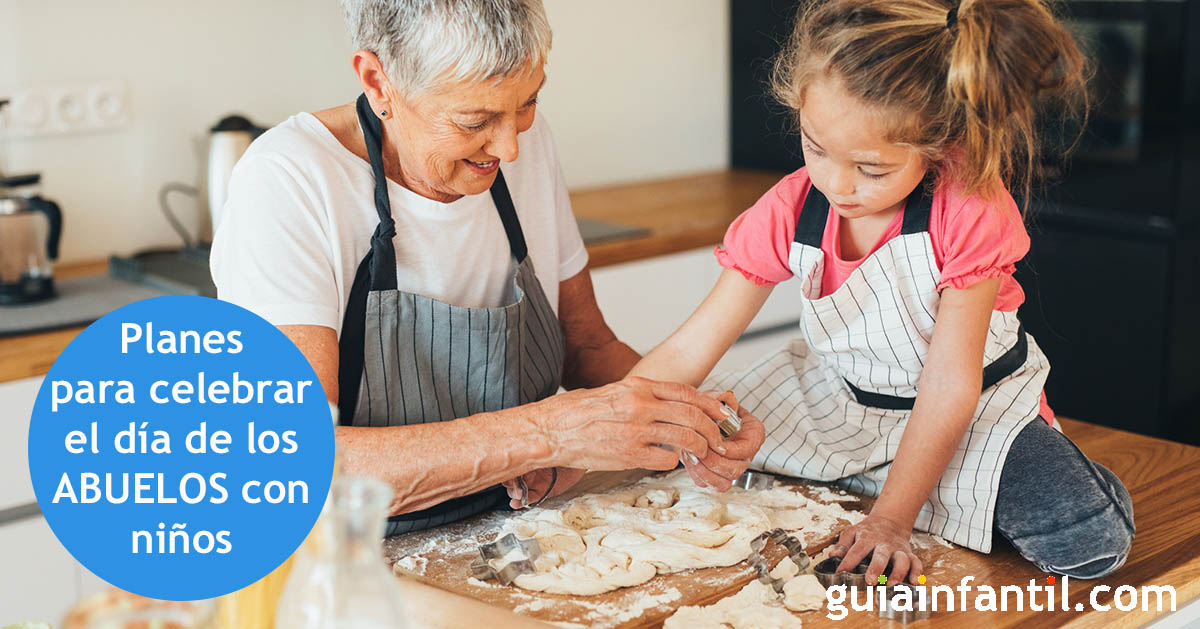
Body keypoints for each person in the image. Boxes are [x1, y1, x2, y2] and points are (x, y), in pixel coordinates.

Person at [210, 0, 765, 536]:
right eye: (474, 120)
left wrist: (689, 420)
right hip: (349, 557)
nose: (509, 147)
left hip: (513, 533)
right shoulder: (290, 181)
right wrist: (549, 434)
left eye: (527, 103)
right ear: (378, 82)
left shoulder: (524, 142)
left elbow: (588, 347)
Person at [627, 0, 1134, 583]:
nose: (836, 184)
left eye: (871, 169)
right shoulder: (790, 207)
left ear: (938, 145)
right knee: (683, 436)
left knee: (1087, 539)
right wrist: (591, 440)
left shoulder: (967, 209)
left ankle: (892, 483)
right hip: (840, 398)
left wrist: (891, 521)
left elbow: (949, 384)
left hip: (968, 407)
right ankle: (895, 481)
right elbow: (689, 348)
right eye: (815, 147)